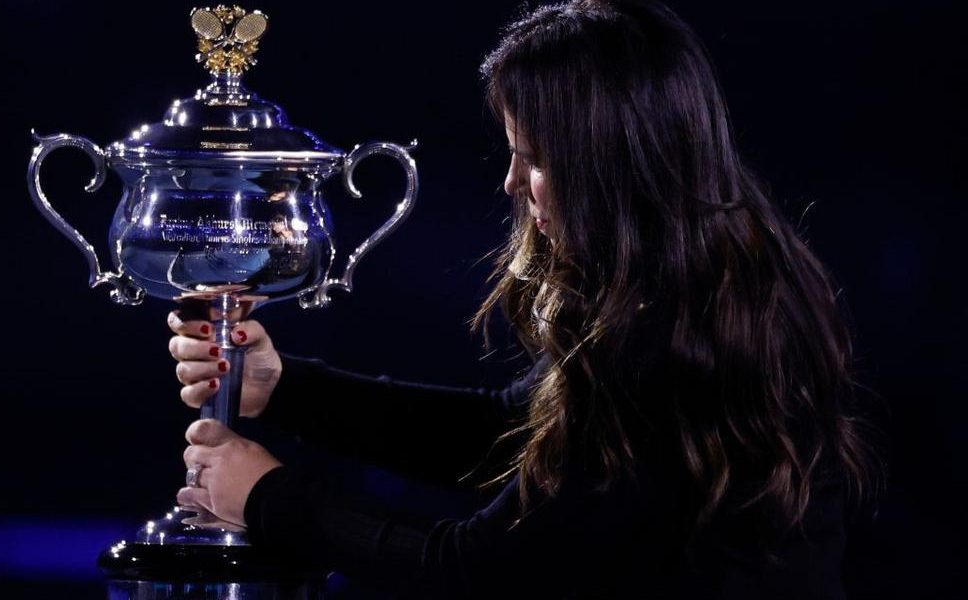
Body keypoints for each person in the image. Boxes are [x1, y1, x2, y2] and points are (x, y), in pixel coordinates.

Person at [168, 1, 883, 597]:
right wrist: (286, 389)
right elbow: (514, 437)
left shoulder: (662, 338)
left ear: (602, 160)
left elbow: (477, 573)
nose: (512, 183)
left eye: (533, 157)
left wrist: (266, 498)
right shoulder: (709, 283)